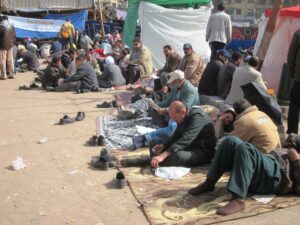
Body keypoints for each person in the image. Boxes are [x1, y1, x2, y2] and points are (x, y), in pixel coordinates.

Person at [188, 135, 300, 215]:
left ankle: (238, 199)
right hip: (270, 160)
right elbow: (292, 138)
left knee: (246, 148)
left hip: (278, 176)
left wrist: (296, 161)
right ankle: (209, 183)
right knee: (230, 140)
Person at [122, 101, 216, 168]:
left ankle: (145, 162)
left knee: (178, 156)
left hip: (202, 152)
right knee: (154, 143)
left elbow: (185, 140)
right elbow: (176, 135)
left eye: (175, 117)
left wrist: (163, 155)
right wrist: (164, 145)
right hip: (189, 146)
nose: (174, 120)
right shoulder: (183, 116)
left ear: (183, 112)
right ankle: (156, 160)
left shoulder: (197, 117)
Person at [287, 28, 300, 134]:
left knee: (295, 105)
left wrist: (293, 74)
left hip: (299, 78)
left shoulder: (298, 33)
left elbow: (291, 56)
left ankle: (292, 133)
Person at [0, 14, 16, 79]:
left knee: (2, 60)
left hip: (2, 46)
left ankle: (3, 75)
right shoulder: (12, 26)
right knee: (10, 60)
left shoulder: (1, 27)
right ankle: (12, 74)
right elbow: (14, 35)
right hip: (10, 45)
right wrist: (12, 43)